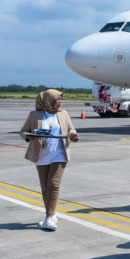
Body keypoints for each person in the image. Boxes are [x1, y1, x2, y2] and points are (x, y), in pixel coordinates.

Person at [20, 89, 79, 231]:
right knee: (45, 187)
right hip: (41, 155)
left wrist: (73, 135)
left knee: (53, 184)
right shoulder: (34, 115)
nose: (60, 102)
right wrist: (29, 137)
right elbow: (23, 132)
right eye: (57, 99)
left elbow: (71, 129)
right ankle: (51, 216)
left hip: (59, 154)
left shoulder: (63, 114)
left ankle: (49, 216)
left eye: (61, 100)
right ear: (48, 101)